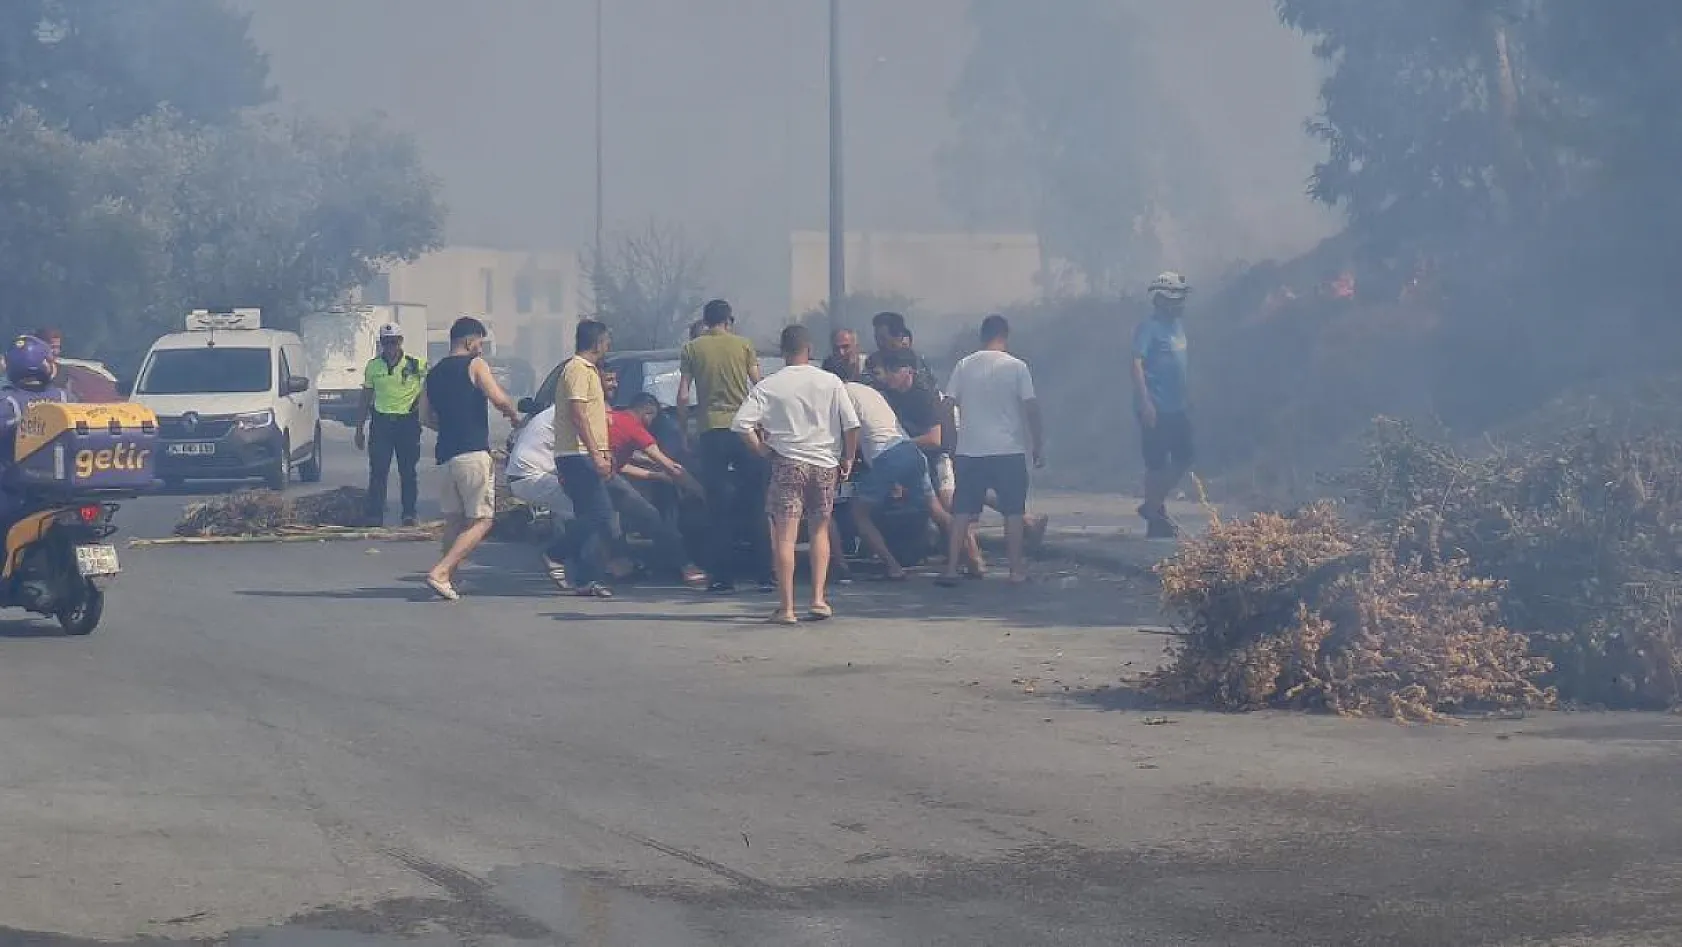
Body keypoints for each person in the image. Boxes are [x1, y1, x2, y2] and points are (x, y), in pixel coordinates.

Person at [733, 324, 859, 624]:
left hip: (788, 464)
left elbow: (740, 424)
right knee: (819, 530)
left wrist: (762, 449)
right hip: (825, 464)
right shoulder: (830, 382)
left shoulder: (769, 385)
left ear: (782, 351)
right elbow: (851, 424)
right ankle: (818, 599)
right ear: (810, 349)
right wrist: (848, 458)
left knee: (785, 537)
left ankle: (786, 607)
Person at [845, 349, 976, 580]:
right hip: (912, 453)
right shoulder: (873, 393)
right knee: (937, 511)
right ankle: (975, 559)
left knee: (859, 513)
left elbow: (850, 432)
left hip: (887, 456)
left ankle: (893, 567)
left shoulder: (843, 394)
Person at [418, 317, 520, 601]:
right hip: (472, 453)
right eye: (480, 343)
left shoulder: (434, 373)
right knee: (482, 520)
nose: (482, 349)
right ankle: (440, 572)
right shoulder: (475, 365)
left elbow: (423, 416)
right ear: (468, 341)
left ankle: (450, 579)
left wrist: (450, 426)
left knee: (454, 521)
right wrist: (513, 415)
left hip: (445, 455)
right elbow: (498, 398)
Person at [938, 314, 1042, 586]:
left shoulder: (964, 365)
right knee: (1013, 512)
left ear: (982, 336)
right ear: (1005, 336)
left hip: (970, 450)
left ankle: (950, 569)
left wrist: (951, 442)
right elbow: (1031, 408)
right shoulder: (1017, 367)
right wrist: (1038, 444)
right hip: (1008, 450)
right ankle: (1016, 571)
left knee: (962, 511)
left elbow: (947, 406)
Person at [678, 298, 770, 594]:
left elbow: (682, 396)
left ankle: (722, 577)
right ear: (729, 320)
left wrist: (684, 432)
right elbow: (761, 386)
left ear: (705, 322)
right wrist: (764, 426)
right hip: (743, 430)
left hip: (711, 431)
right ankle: (765, 575)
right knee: (757, 503)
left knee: (717, 508)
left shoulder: (692, 348)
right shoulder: (743, 345)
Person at [546, 319, 618, 598]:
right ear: (597, 342)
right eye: (606, 340)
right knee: (601, 514)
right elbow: (578, 415)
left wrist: (604, 451)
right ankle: (556, 553)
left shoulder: (589, 370)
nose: (608, 345)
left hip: (587, 452)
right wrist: (594, 453)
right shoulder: (577, 369)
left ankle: (586, 579)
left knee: (589, 516)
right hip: (576, 454)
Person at [606, 391, 707, 587]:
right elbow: (671, 466)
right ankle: (686, 566)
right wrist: (700, 491)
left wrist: (656, 476)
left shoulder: (615, 419)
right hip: (603, 478)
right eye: (654, 417)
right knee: (651, 516)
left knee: (605, 521)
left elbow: (621, 466)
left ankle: (617, 565)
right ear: (647, 412)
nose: (653, 423)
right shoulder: (634, 428)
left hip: (596, 474)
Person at [1132, 271, 1193, 539]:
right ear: (1162, 300)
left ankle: (1152, 506)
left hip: (1178, 405)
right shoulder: (1149, 327)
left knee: (1184, 457)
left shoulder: (1177, 326)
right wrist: (1145, 401)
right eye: (1176, 299)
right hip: (1155, 405)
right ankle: (1156, 519)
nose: (1181, 304)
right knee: (1156, 463)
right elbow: (1136, 363)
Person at [354, 323, 427, 527]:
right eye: (386, 342)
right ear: (381, 343)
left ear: (401, 341)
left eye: (394, 342)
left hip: (407, 423)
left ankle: (409, 513)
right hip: (381, 423)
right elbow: (366, 396)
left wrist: (425, 410)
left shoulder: (416, 364)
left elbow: (432, 386)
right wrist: (359, 428)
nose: (390, 347)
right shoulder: (373, 366)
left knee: (408, 470)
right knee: (378, 470)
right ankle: (376, 514)